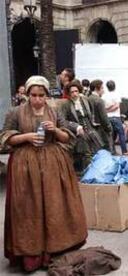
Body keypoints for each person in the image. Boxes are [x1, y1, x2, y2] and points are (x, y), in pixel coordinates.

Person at [0, 76, 87, 272]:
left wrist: (55, 130)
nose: (37, 99)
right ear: (28, 94)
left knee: (54, 205)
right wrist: (26, 137)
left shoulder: (55, 111)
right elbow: (5, 137)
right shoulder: (16, 112)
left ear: (47, 95)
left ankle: (55, 248)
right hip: (25, 166)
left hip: (52, 164)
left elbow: (66, 137)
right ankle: (31, 253)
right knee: (29, 208)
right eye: (33, 95)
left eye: (41, 95)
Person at [60, 80, 104, 172]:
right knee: (86, 154)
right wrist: (75, 126)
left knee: (98, 151)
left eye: (76, 91)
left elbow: (91, 113)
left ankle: (99, 171)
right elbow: (62, 121)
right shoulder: (66, 104)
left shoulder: (85, 100)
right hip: (78, 134)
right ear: (68, 93)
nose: (75, 94)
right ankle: (89, 174)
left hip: (90, 130)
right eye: (72, 92)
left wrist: (93, 122)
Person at [103, 80, 128, 155]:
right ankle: (124, 151)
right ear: (115, 86)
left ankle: (112, 151)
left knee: (110, 135)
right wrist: (111, 109)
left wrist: (107, 111)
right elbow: (117, 106)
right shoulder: (116, 94)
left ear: (107, 87)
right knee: (121, 134)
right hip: (116, 117)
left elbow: (104, 108)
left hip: (108, 118)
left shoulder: (104, 96)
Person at [88, 79, 113, 152]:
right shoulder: (99, 100)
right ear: (96, 88)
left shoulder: (88, 99)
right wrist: (109, 128)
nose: (103, 90)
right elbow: (104, 118)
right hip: (101, 130)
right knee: (106, 152)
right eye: (102, 88)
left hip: (91, 130)